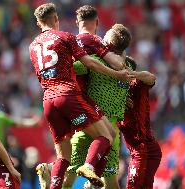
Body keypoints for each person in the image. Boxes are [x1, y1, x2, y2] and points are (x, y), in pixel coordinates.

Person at [29, 3, 134, 189]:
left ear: (38, 23)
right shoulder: (68, 37)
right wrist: (118, 75)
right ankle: (90, 169)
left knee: (63, 158)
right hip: (70, 96)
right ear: (56, 19)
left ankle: (54, 183)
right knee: (107, 135)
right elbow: (91, 64)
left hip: (47, 99)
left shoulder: (33, 46)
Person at [63, 7, 133, 189]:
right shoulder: (130, 66)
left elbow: (72, 67)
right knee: (111, 181)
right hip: (111, 127)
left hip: (87, 118)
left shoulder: (94, 60)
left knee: (69, 172)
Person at [118, 59, 162, 189]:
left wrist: (132, 74)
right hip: (137, 150)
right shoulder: (116, 94)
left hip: (145, 149)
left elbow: (151, 77)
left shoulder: (137, 85)